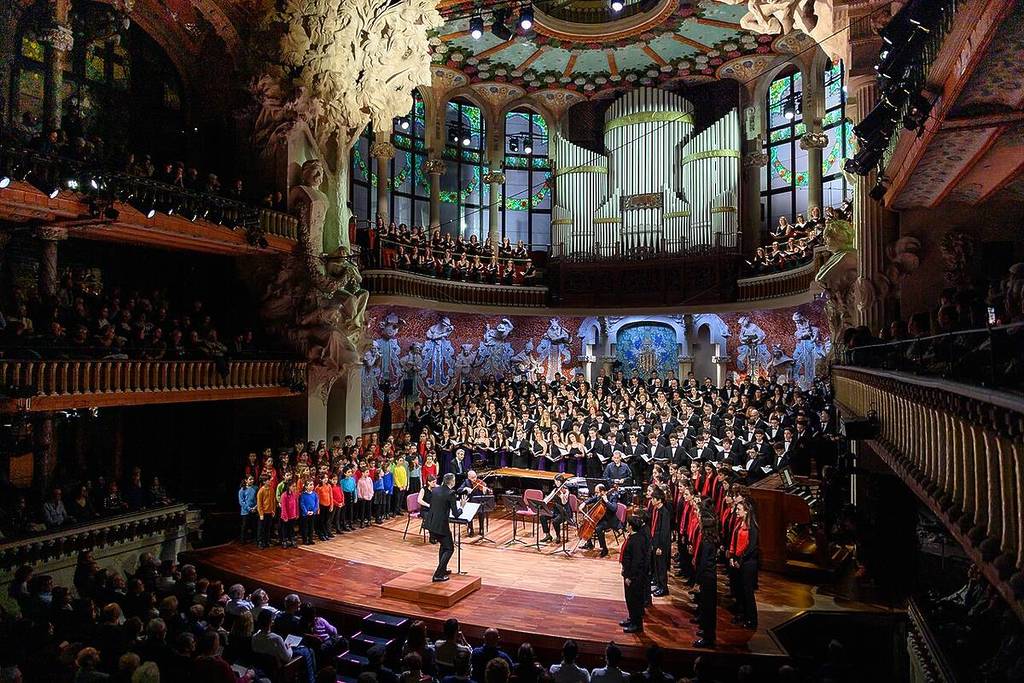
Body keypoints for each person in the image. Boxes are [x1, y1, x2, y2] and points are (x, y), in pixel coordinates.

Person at [728, 498, 759, 629]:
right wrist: (732, 556)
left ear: (746, 511)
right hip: (737, 561)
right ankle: (741, 613)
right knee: (739, 590)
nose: (736, 511)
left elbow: (751, 547)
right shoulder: (739, 523)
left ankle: (751, 618)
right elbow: (734, 540)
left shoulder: (752, 527)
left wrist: (740, 560)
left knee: (747, 591)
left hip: (747, 563)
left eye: (739, 509)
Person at [426, 473, 462, 582]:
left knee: (443, 546)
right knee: (450, 548)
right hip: (441, 525)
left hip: (431, 523)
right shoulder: (451, 493)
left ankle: (443, 569)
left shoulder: (435, 490)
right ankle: (438, 575)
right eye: (454, 480)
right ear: (451, 481)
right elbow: (456, 514)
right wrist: (462, 507)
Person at [619, 515, 650, 634]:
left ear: (631, 527)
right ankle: (632, 619)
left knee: (634, 600)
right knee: (629, 599)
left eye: (627, 524)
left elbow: (637, 562)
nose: (626, 526)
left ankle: (637, 625)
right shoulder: (634, 537)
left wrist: (629, 577)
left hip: (634, 577)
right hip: (629, 574)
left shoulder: (636, 541)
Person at [579, 484, 621, 557]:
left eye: (597, 492)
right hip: (601, 518)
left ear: (602, 492)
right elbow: (592, 499)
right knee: (589, 522)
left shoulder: (612, 496)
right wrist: (584, 503)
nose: (596, 494)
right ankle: (589, 544)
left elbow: (614, 508)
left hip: (609, 520)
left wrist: (606, 501)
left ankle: (604, 549)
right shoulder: (599, 496)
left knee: (598, 528)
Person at [648, 488, 672, 597]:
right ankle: (658, 584)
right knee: (656, 565)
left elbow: (664, 532)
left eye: (653, 498)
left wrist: (660, 547)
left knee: (661, 567)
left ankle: (663, 588)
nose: (651, 500)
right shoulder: (656, 510)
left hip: (661, 544)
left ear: (659, 500)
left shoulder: (665, 513)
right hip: (655, 541)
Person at [456, 470, 491, 537]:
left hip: (478, 502)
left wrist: (485, 491)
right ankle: (470, 529)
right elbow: (458, 490)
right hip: (470, 503)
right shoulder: (466, 482)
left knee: (481, 512)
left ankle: (481, 528)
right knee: (469, 514)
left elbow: (486, 493)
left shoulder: (480, 482)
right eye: (472, 477)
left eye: (475, 476)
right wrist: (465, 488)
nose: (475, 479)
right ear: (469, 477)